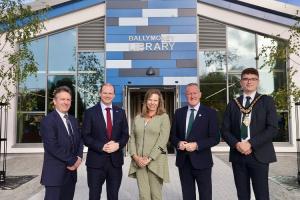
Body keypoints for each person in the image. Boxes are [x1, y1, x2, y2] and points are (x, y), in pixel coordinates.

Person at [221, 68, 277, 200]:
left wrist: (250, 144)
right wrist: (237, 144)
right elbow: (224, 130)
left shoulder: (266, 101)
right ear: (241, 82)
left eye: (253, 79)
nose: (249, 81)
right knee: (242, 195)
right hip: (238, 154)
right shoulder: (233, 104)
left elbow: (272, 128)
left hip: (259, 154)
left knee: (262, 195)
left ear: (258, 82)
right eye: (245, 78)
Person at [170, 83, 219, 200]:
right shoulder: (179, 113)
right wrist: (178, 143)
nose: (192, 96)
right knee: (187, 196)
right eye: (189, 93)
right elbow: (172, 136)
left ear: (200, 94)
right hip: (184, 162)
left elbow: (215, 138)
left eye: (194, 93)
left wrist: (197, 145)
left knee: (205, 195)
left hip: (202, 162)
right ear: (185, 96)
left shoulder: (210, 113)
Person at [82, 83, 129, 200]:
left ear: (114, 95)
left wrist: (118, 145)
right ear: (100, 94)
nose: (107, 95)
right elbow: (85, 136)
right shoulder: (90, 113)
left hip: (115, 163)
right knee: (94, 196)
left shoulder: (121, 112)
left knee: (113, 196)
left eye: (110, 93)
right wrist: (101, 146)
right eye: (105, 93)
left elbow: (125, 135)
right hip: (95, 163)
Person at [40, 86, 83, 200]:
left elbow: (80, 140)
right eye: (62, 99)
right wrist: (73, 161)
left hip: (71, 175)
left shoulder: (73, 120)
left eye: (68, 99)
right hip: (55, 175)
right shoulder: (48, 120)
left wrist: (79, 157)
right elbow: (52, 146)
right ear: (54, 101)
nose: (66, 102)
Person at [128, 89, 170, 200]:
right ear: (146, 101)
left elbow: (163, 140)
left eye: (155, 100)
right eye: (150, 100)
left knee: (156, 195)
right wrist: (135, 157)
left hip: (155, 161)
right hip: (139, 162)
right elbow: (132, 138)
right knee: (143, 195)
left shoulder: (164, 117)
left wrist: (149, 158)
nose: (152, 102)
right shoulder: (138, 118)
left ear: (159, 102)